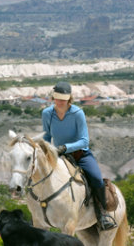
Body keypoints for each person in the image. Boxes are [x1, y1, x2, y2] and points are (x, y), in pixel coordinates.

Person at [41, 81, 116, 230]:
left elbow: (84, 140)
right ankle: (39, 215)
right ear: (53, 97)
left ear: (69, 98)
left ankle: (103, 215)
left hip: (80, 155)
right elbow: (47, 136)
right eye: (57, 98)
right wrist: (45, 151)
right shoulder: (47, 113)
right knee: (40, 176)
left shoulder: (77, 113)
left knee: (96, 178)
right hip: (58, 155)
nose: (60, 102)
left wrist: (65, 147)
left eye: (63, 99)